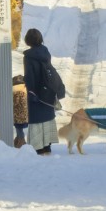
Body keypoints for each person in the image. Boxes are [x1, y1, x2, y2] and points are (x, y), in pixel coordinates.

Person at [22, 25, 65, 154]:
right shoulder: (45, 52)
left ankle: (38, 147)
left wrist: (31, 91)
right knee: (47, 118)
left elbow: (30, 76)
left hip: (37, 93)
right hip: (49, 92)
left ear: (28, 41)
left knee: (36, 120)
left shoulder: (29, 57)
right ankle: (47, 145)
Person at [12, 77, 29, 149]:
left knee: (18, 128)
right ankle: (19, 140)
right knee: (19, 128)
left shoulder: (13, 91)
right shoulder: (25, 90)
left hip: (16, 115)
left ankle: (21, 142)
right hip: (25, 114)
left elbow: (14, 104)